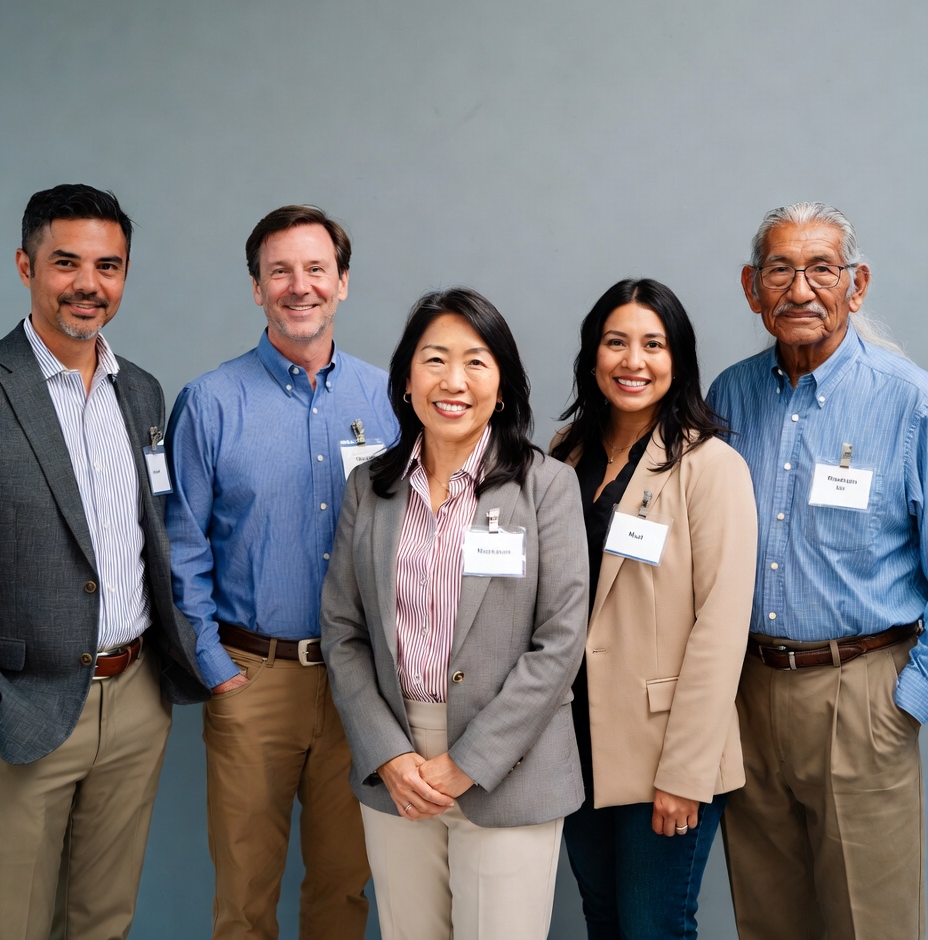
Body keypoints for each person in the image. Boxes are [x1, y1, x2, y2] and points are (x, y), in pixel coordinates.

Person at [0, 183, 207, 940]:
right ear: (25, 265)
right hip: (18, 705)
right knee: (10, 924)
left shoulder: (140, 392)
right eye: (66, 263)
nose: (88, 285)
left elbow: (154, 530)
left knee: (104, 919)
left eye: (109, 267)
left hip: (134, 697)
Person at [319, 287, 589, 940]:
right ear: (406, 381)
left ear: (503, 385)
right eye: (434, 359)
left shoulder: (545, 486)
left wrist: (469, 761)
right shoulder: (371, 488)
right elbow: (343, 631)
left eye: (476, 361)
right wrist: (388, 754)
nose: (453, 381)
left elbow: (560, 641)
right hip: (398, 766)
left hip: (509, 767)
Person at [165, 204, 397, 940]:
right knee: (244, 897)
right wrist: (212, 665)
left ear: (344, 283)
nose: (301, 287)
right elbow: (182, 546)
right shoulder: (209, 403)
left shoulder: (390, 400)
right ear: (257, 288)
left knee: (342, 891)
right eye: (280, 272)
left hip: (361, 683)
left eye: (316, 269)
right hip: (251, 678)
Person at [707, 202, 928, 940]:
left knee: (873, 923)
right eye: (780, 269)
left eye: (821, 269)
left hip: (862, 694)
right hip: (748, 691)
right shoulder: (728, 397)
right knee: (769, 919)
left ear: (856, 285)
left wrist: (905, 703)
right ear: (751, 287)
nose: (799, 289)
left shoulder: (909, 402)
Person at [550, 278, 757, 939]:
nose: (633, 361)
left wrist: (687, 772)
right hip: (574, 740)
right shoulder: (564, 454)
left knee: (654, 927)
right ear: (592, 356)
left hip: (665, 747)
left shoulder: (709, 465)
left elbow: (721, 629)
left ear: (678, 359)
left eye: (653, 344)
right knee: (604, 920)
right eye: (616, 343)